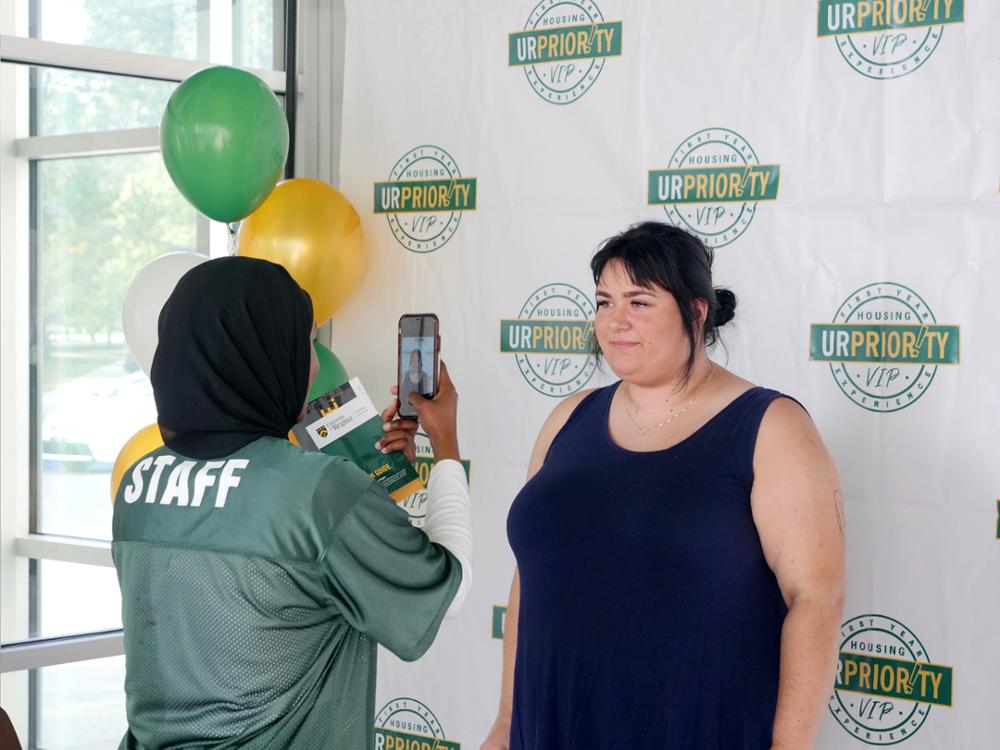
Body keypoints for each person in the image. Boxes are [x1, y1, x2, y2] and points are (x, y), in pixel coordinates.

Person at [482, 222, 845, 750]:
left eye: (640, 302)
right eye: (605, 302)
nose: (615, 322)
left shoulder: (771, 426)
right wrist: (505, 723)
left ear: (696, 312)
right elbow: (531, 581)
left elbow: (816, 596)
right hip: (551, 724)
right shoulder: (567, 418)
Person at [112, 256, 471, 749]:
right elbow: (446, 592)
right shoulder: (318, 492)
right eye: (305, 343)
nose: (316, 364)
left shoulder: (138, 482)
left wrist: (376, 497)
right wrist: (446, 446)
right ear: (260, 352)